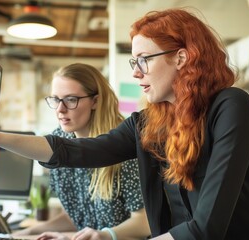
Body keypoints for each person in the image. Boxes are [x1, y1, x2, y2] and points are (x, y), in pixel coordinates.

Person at [0, 8, 249, 240]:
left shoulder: (231, 107)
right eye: (132, 62)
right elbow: (76, 150)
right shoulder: (150, 121)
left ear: (181, 57)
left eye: (143, 61)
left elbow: (206, 228)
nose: (135, 73)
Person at [13, 63, 150, 240]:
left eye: (71, 99)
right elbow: (77, 217)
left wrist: (105, 235)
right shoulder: (59, 140)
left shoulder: (123, 144)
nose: (60, 109)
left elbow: (144, 222)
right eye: (55, 99)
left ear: (95, 101)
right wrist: (28, 232)